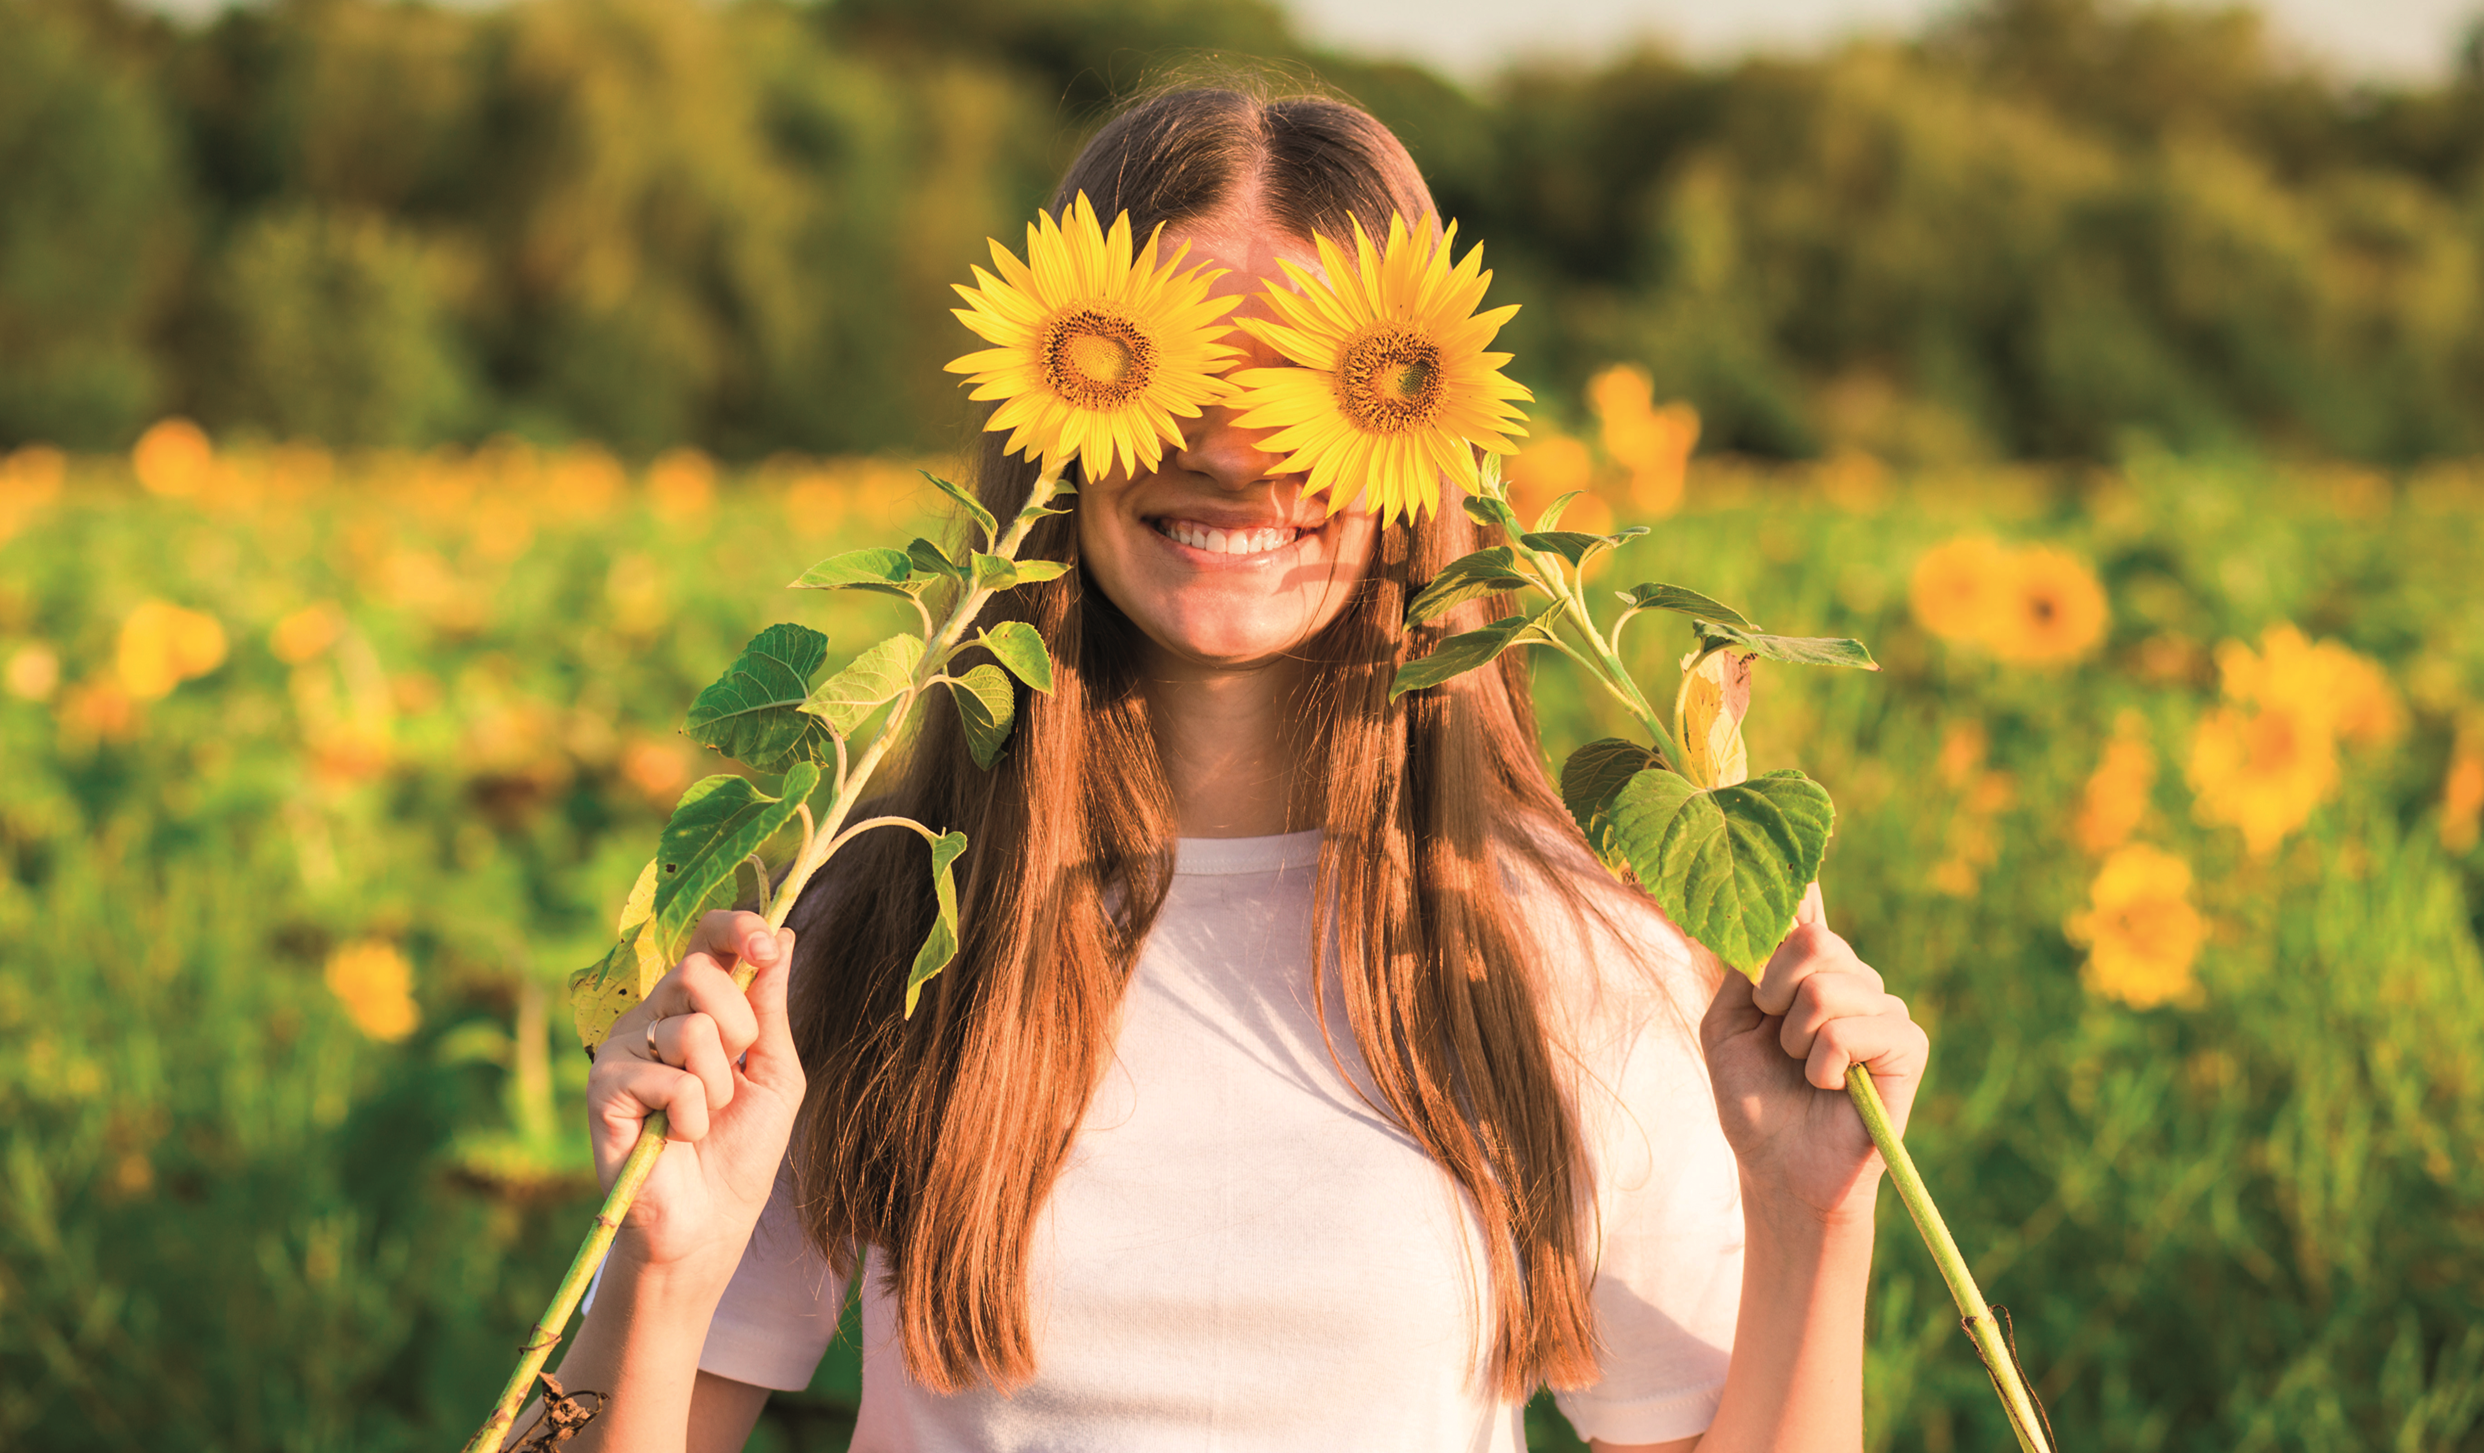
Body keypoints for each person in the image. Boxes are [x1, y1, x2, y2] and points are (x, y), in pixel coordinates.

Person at [543, 85, 1928, 1453]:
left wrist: (1817, 1216)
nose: (1230, 450)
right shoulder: (887, 916)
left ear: (1423, 428)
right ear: (1049, 399)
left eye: (1312, 387)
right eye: (1171, 373)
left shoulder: (1567, 952)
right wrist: (659, 1273)